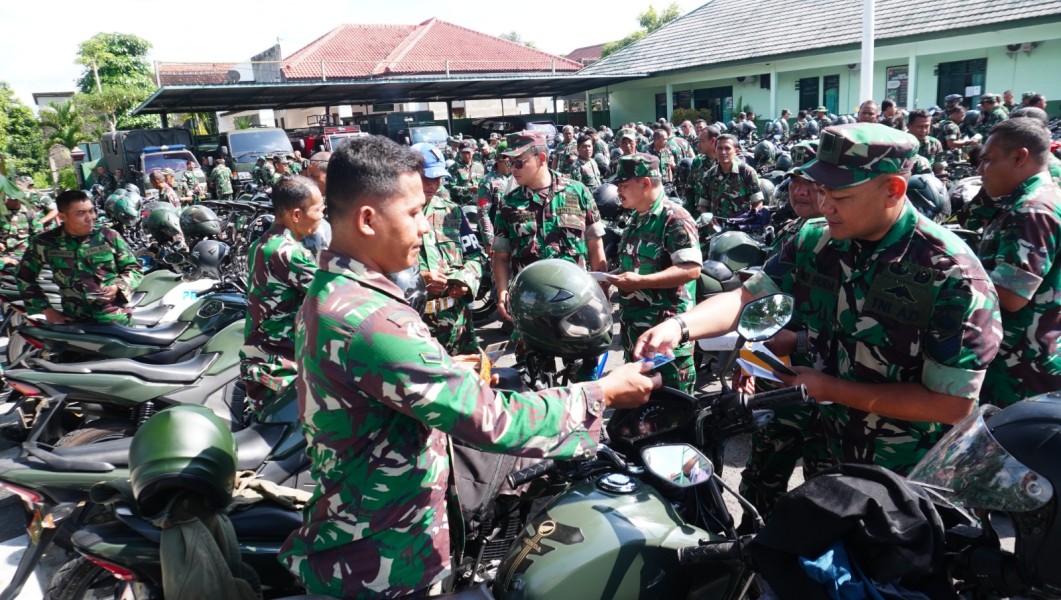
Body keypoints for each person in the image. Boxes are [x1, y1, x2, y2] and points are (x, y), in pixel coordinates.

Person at [278, 135, 659, 598]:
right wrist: (602, 393)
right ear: (367, 219)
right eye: (414, 213)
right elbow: (491, 418)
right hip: (385, 563)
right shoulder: (371, 319)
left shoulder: (334, 292)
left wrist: (438, 368)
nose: (424, 227)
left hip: (369, 535)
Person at [637, 123, 1002, 475]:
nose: (825, 206)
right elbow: (745, 297)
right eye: (821, 191)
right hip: (826, 450)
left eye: (840, 196)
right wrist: (679, 326)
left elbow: (952, 404)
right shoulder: (816, 239)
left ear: (892, 190)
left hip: (902, 471)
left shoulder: (951, 275)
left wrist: (833, 390)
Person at [975, 118, 1061, 408]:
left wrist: (954, 279)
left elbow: (1012, 295)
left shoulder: (1032, 209)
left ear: (1019, 157)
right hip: (1024, 356)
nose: (981, 169)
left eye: (988, 159)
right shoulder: (1033, 201)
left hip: (1022, 366)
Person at [611, 154, 701, 394]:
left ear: (645, 183)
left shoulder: (675, 219)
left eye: (623, 185)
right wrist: (610, 277)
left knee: (672, 406)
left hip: (666, 340)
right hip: (636, 335)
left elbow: (691, 269)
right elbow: (635, 264)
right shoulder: (635, 219)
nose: (618, 191)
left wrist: (640, 282)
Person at [240, 175, 323, 415]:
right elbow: (331, 295)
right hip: (281, 365)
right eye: (318, 210)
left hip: (264, 356)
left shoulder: (263, 243)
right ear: (296, 215)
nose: (321, 216)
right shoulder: (288, 252)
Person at [17, 189, 142, 325]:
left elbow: (134, 269)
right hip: (75, 321)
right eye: (81, 213)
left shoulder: (108, 236)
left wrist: (118, 286)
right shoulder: (45, 243)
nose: (90, 218)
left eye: (91, 211)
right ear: (63, 216)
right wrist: (46, 310)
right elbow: (24, 276)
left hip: (115, 318)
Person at [413, 142, 483, 355]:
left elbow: (475, 255)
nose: (432, 185)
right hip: (413, 325)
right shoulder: (389, 216)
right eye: (426, 178)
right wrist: (419, 280)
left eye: (438, 179)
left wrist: (465, 281)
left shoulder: (452, 212)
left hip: (456, 324)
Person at [699, 134, 763, 218]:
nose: (723, 152)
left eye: (727, 148)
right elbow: (703, 205)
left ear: (736, 151)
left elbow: (758, 203)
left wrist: (750, 218)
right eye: (719, 148)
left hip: (741, 224)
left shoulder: (746, 172)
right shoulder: (709, 175)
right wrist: (708, 219)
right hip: (716, 225)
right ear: (715, 150)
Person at [475, 148, 515, 251]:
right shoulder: (488, 181)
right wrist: (489, 241)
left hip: (518, 233)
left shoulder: (518, 176)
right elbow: (483, 212)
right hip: (499, 235)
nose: (510, 161)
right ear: (499, 160)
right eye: (507, 158)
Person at [0, 188, 43, 275]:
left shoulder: (28, 213)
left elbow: (38, 232)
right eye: (13, 199)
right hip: (3, 256)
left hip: (22, 255)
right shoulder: (1, 212)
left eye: (19, 198)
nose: (16, 201)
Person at [685, 125, 720, 217]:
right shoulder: (698, 161)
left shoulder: (724, 162)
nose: (698, 145)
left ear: (713, 141)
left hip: (721, 217)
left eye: (702, 141)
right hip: (700, 216)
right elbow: (689, 189)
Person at [907, 108, 944, 173]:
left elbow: (939, 170)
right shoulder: (901, 144)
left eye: (927, 126)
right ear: (909, 126)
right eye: (920, 127)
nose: (924, 130)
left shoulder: (935, 144)